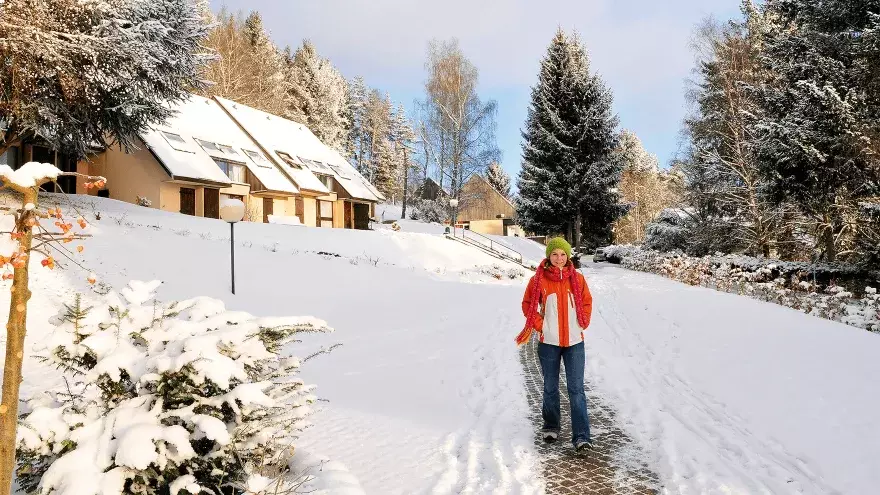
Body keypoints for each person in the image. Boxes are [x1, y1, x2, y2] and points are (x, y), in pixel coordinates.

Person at [516, 237, 594, 452]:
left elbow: (587, 302)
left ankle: (582, 436)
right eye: (555, 254)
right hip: (548, 343)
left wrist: (582, 321)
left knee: (576, 389)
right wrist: (542, 326)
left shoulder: (577, 279)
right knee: (550, 387)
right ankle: (551, 426)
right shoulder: (538, 280)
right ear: (548, 257)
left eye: (563, 254)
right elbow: (528, 304)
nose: (559, 259)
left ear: (568, 256)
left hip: (574, 342)